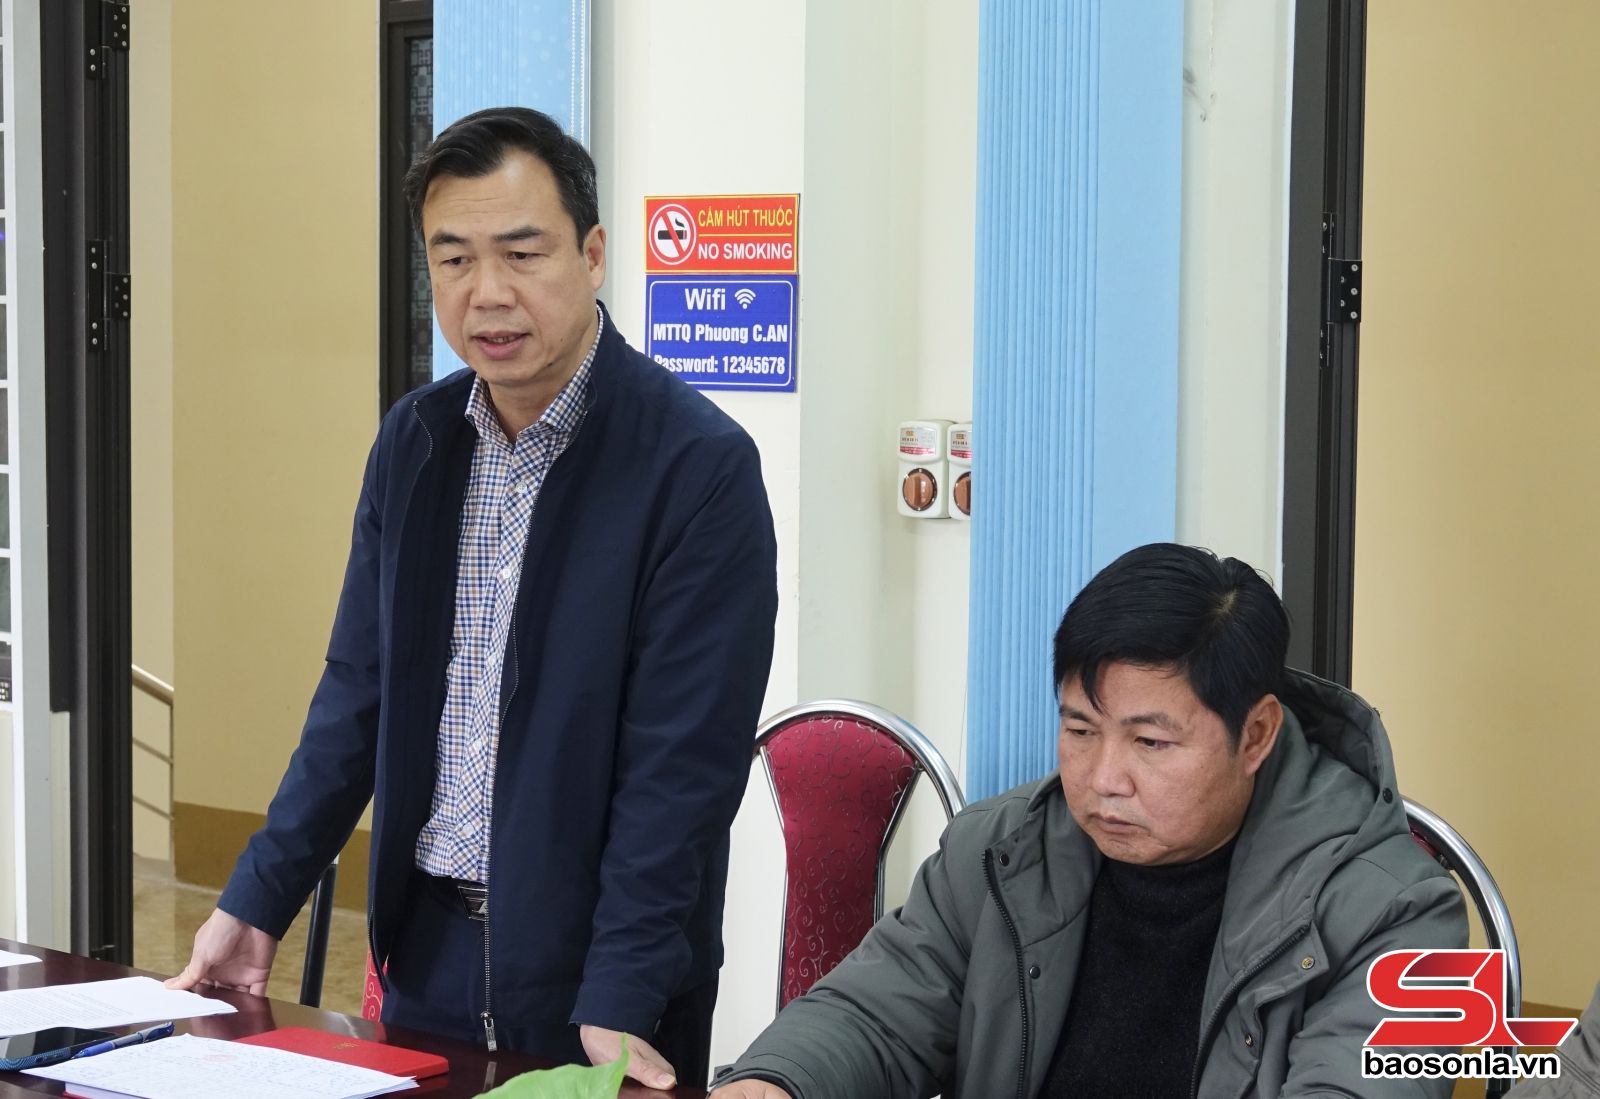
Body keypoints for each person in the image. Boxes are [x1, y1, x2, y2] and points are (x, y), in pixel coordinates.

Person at [168, 106, 778, 1092]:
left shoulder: (696, 468)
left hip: (601, 973)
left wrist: (621, 993)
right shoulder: (415, 442)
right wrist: (256, 898)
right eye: (452, 259)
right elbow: (356, 693)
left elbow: (682, 770)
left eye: (521, 254)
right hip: (427, 951)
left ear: (592, 255)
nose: (487, 293)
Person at [713, 543, 1467, 1098]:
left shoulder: (1397, 908)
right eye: (1079, 729)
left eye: (1150, 742)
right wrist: (778, 1080)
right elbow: (877, 1014)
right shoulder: (999, 853)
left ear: (1257, 735)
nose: (1104, 779)